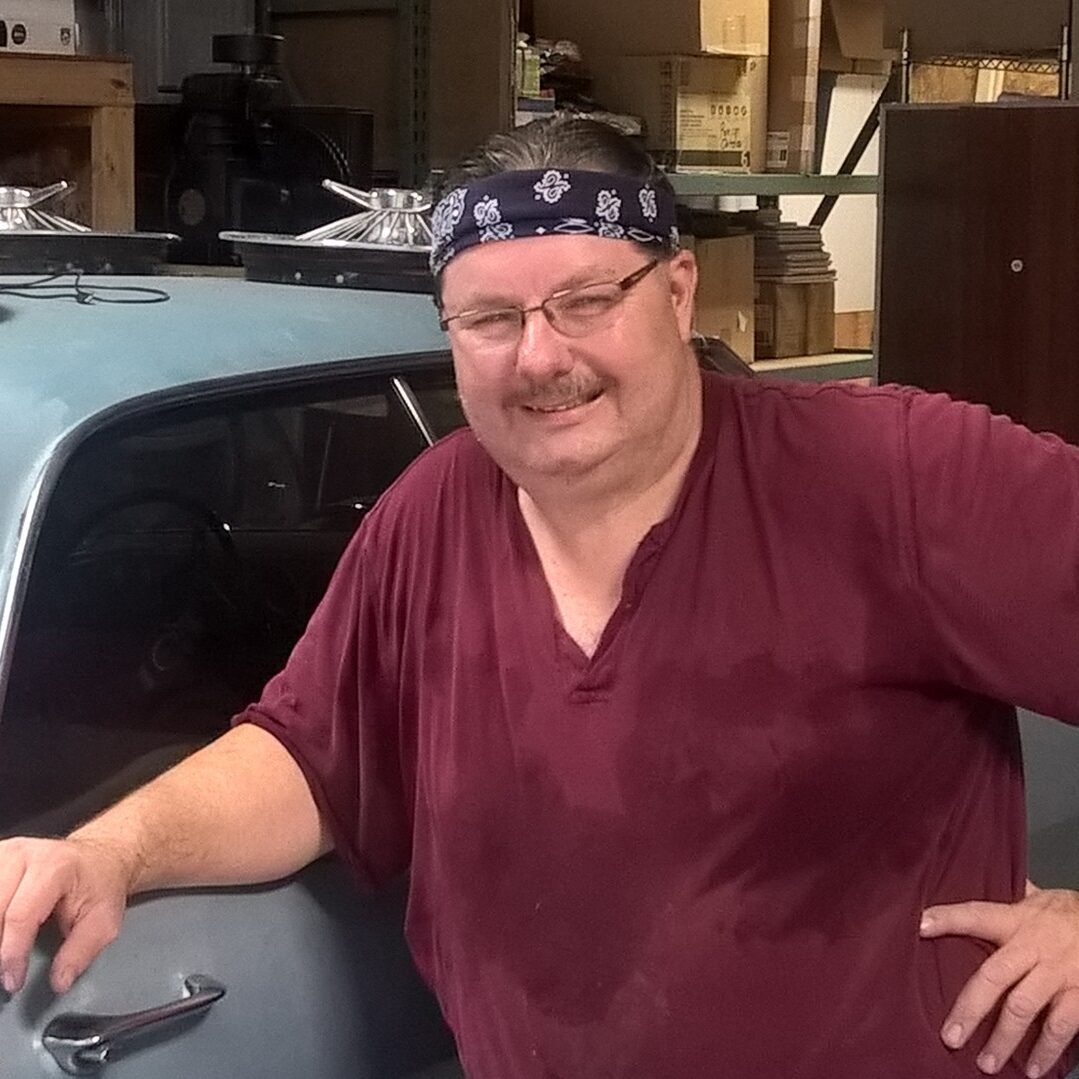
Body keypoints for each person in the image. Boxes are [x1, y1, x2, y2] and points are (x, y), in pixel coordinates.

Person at [2, 115, 1079, 1079]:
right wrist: (112, 848)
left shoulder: (887, 473)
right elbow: (315, 755)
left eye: (584, 301)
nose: (540, 357)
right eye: (489, 318)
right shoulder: (432, 513)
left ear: (675, 290)